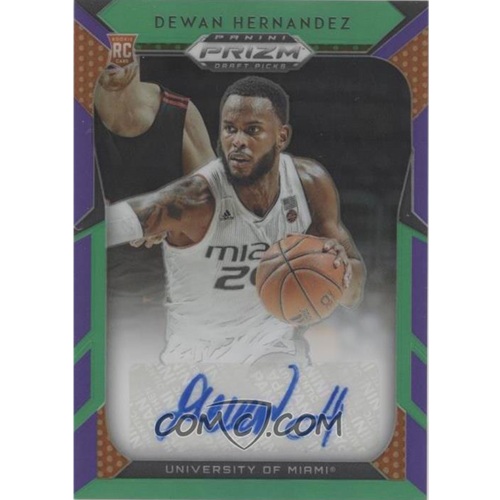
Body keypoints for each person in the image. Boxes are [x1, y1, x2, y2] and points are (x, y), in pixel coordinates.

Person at [107, 76, 366, 365]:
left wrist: (338, 271)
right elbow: (102, 228)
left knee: (283, 369)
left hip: (271, 350)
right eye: (230, 129)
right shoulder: (193, 198)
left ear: (281, 137)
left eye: (252, 130)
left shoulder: (309, 184)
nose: (238, 141)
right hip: (196, 356)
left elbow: (354, 293)